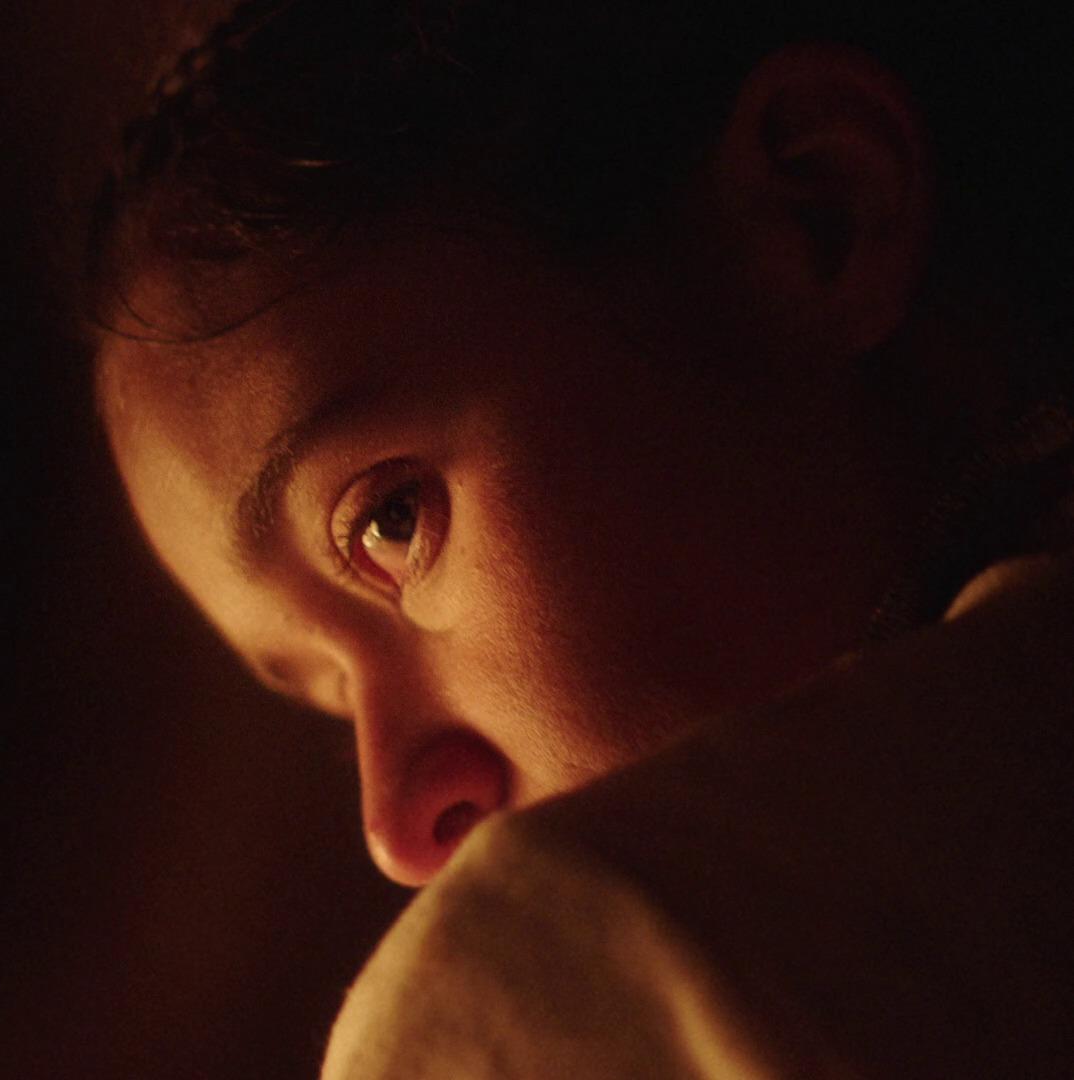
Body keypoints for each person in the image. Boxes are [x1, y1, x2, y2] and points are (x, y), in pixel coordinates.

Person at [80, 0, 1074, 1074]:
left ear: (819, 214)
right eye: (329, 700)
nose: (398, 830)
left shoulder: (559, 975)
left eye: (391, 521)